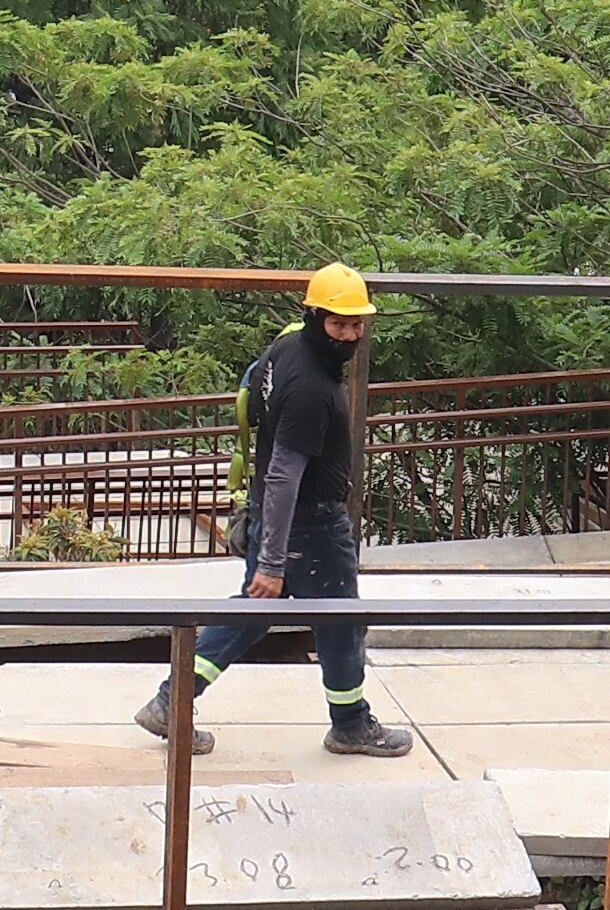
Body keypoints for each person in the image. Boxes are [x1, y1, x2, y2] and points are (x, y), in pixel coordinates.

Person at [134, 262, 415, 760]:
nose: (350, 335)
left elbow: (252, 396)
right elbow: (286, 473)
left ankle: (170, 700)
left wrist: (266, 539)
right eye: (339, 324)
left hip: (276, 516)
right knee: (341, 622)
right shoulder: (311, 388)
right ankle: (350, 725)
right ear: (315, 318)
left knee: (252, 613)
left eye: (357, 324)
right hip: (309, 527)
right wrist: (272, 561)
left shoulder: (285, 348)